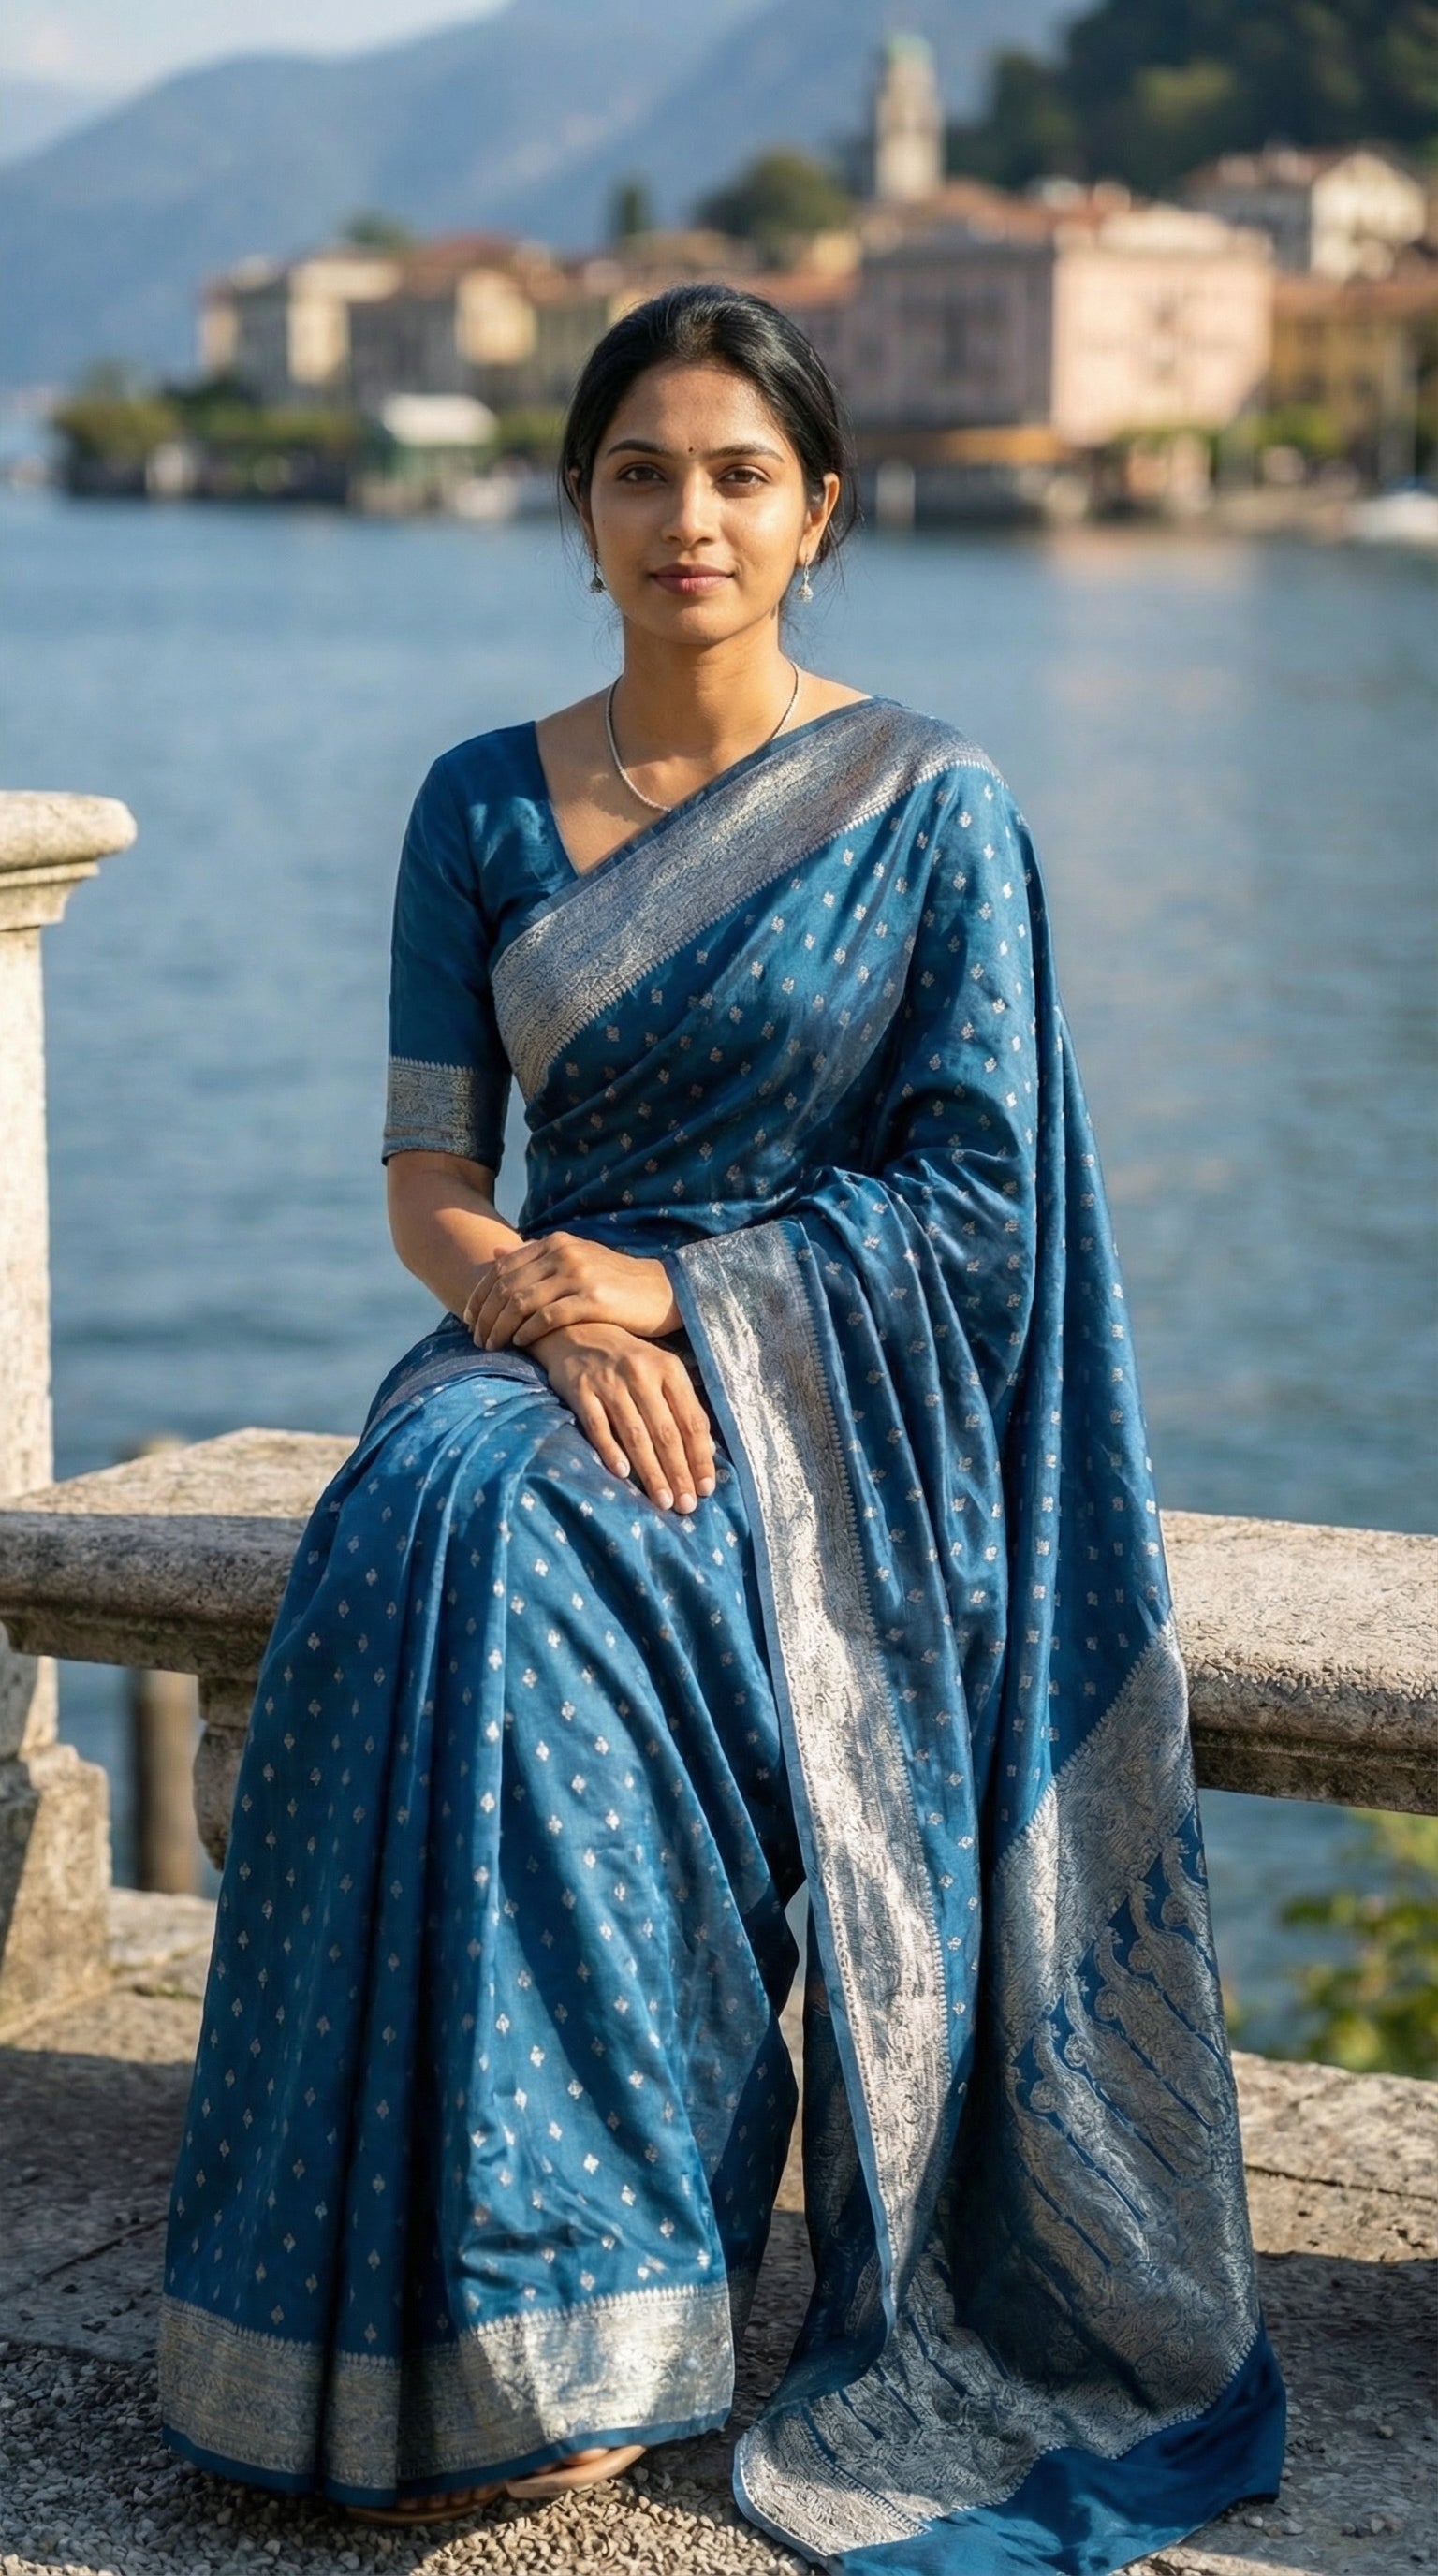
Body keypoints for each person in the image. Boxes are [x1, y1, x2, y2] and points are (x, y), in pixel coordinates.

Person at [158, 283, 1285, 2569]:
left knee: (540, 1562)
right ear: (580, 507)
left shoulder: (931, 807)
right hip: (524, 1338)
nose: (691, 514)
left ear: (820, 512)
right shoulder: (478, 800)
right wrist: (537, 1301)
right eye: (643, 471)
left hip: (834, 1398)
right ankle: (380, 2306)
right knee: (424, 1520)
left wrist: (678, 1293)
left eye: (740, 474)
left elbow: (982, 1211)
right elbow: (429, 1175)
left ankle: (591, 2303)